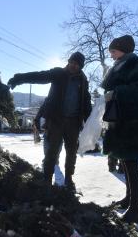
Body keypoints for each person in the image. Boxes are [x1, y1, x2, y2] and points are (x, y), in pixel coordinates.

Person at [8, 52, 92, 189]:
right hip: (56, 120)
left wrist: (89, 122)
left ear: (81, 66)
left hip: (73, 123)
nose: (73, 65)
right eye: (71, 62)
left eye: (76, 64)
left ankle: (69, 179)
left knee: (71, 152)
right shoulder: (58, 73)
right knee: (51, 152)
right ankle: (47, 179)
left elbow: (86, 101)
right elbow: (39, 76)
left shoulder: (83, 80)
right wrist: (19, 78)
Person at [102, 35, 138, 223]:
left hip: (133, 121)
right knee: (125, 161)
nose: (111, 55)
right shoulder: (118, 66)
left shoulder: (137, 64)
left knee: (132, 164)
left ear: (123, 49)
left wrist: (116, 93)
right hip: (121, 119)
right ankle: (128, 199)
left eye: (113, 51)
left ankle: (136, 210)